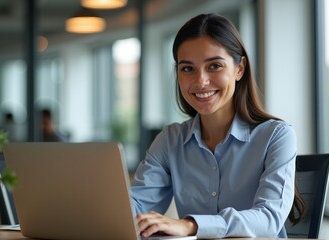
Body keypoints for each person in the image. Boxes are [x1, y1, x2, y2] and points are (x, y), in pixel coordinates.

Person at [130, 13, 305, 239]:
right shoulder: (170, 139)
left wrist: (192, 225)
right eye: (187, 69)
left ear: (239, 69)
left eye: (214, 66)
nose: (200, 81)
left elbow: (269, 218)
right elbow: (136, 207)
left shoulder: (276, 136)